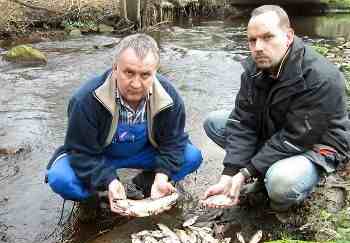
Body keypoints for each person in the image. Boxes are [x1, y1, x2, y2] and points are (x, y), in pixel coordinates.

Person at [203, 5, 350, 213]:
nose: (258, 47)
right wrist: (230, 173)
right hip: (279, 131)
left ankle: (277, 207)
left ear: (289, 36)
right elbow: (243, 121)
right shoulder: (254, 70)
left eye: (267, 37)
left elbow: (296, 137)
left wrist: (246, 172)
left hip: (317, 145)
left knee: (281, 182)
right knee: (215, 122)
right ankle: (263, 171)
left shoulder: (321, 77)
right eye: (252, 40)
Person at [46, 33, 202, 216]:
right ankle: (94, 197)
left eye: (145, 75)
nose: (136, 83)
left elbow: (173, 143)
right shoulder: (85, 100)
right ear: (115, 68)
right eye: (129, 72)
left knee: (191, 156)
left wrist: (162, 175)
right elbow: (80, 152)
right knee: (61, 179)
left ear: (155, 72)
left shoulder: (170, 98)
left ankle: (147, 182)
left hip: (144, 152)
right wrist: (109, 181)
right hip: (100, 155)